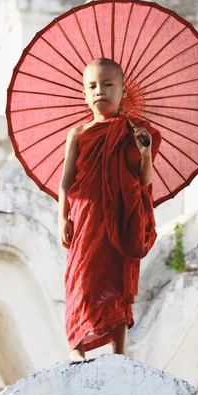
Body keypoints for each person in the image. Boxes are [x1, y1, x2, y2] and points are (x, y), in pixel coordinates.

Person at [58, 58, 161, 361]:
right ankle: (77, 348)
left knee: (117, 280)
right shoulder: (77, 134)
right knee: (81, 278)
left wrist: (146, 154)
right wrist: (61, 217)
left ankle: (119, 352)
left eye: (107, 84)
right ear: (84, 94)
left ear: (123, 90)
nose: (99, 91)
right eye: (92, 86)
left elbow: (144, 181)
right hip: (86, 219)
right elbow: (66, 181)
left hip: (119, 219)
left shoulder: (135, 133)